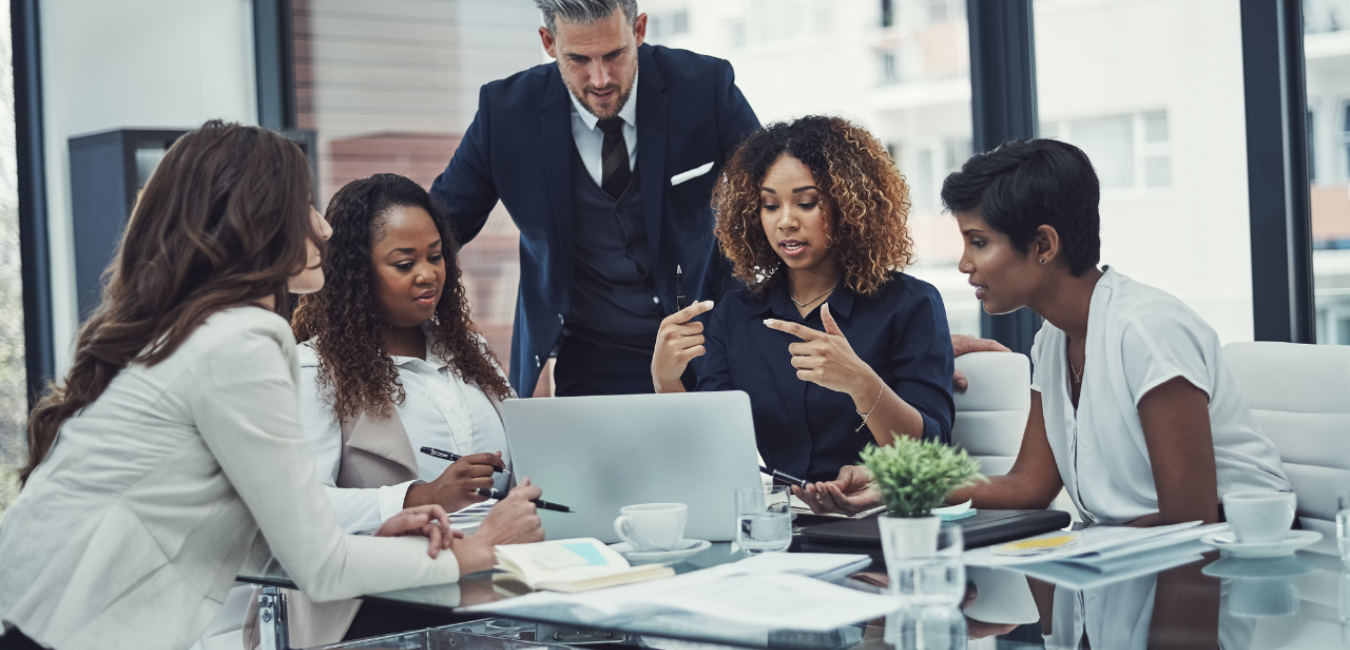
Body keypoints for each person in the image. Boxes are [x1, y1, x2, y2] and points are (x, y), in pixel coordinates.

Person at [0, 122, 543, 650]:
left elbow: (262, 541)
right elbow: (322, 568)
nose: (324, 228)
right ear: (251, 223)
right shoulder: (243, 339)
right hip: (65, 629)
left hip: (39, 615)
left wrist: (379, 535)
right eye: (302, 206)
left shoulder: (196, 329)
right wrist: (479, 549)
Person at [796, 139, 1291, 526]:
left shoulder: (1147, 331)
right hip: (1131, 563)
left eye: (980, 242)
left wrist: (1078, 547)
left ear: (1044, 244)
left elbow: (1192, 519)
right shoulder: (1053, 339)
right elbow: (1028, 486)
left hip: (1235, 573)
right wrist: (895, 486)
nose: (966, 263)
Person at [428, 0, 761, 398]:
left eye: (615, 55)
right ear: (549, 42)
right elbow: (438, 226)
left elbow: (769, 196)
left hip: (703, 340)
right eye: (579, 59)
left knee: (711, 460)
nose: (600, 77)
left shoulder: (705, 87)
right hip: (591, 353)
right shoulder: (504, 114)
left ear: (638, 30)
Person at [273, 173, 520, 644]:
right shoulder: (315, 369)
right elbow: (301, 508)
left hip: (496, 584)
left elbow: (526, 456)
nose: (428, 274)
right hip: (382, 604)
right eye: (404, 264)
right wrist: (418, 497)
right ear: (357, 274)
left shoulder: (469, 351)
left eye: (435, 256)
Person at [650, 116, 956, 482]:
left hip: (878, 521)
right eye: (770, 205)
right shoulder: (737, 313)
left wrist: (862, 384)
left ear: (849, 204)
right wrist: (666, 381)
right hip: (779, 524)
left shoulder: (911, 304)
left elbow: (932, 457)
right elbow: (711, 454)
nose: (786, 221)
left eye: (806, 203)